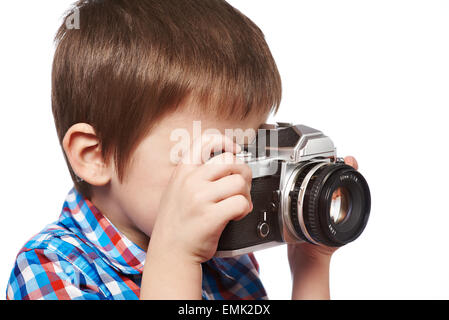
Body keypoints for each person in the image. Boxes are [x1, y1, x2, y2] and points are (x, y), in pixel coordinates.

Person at [6, 0, 358, 300]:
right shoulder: (52, 268)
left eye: (249, 147)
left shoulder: (228, 259)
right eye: (212, 156)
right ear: (95, 155)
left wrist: (311, 264)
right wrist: (175, 256)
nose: (238, 176)